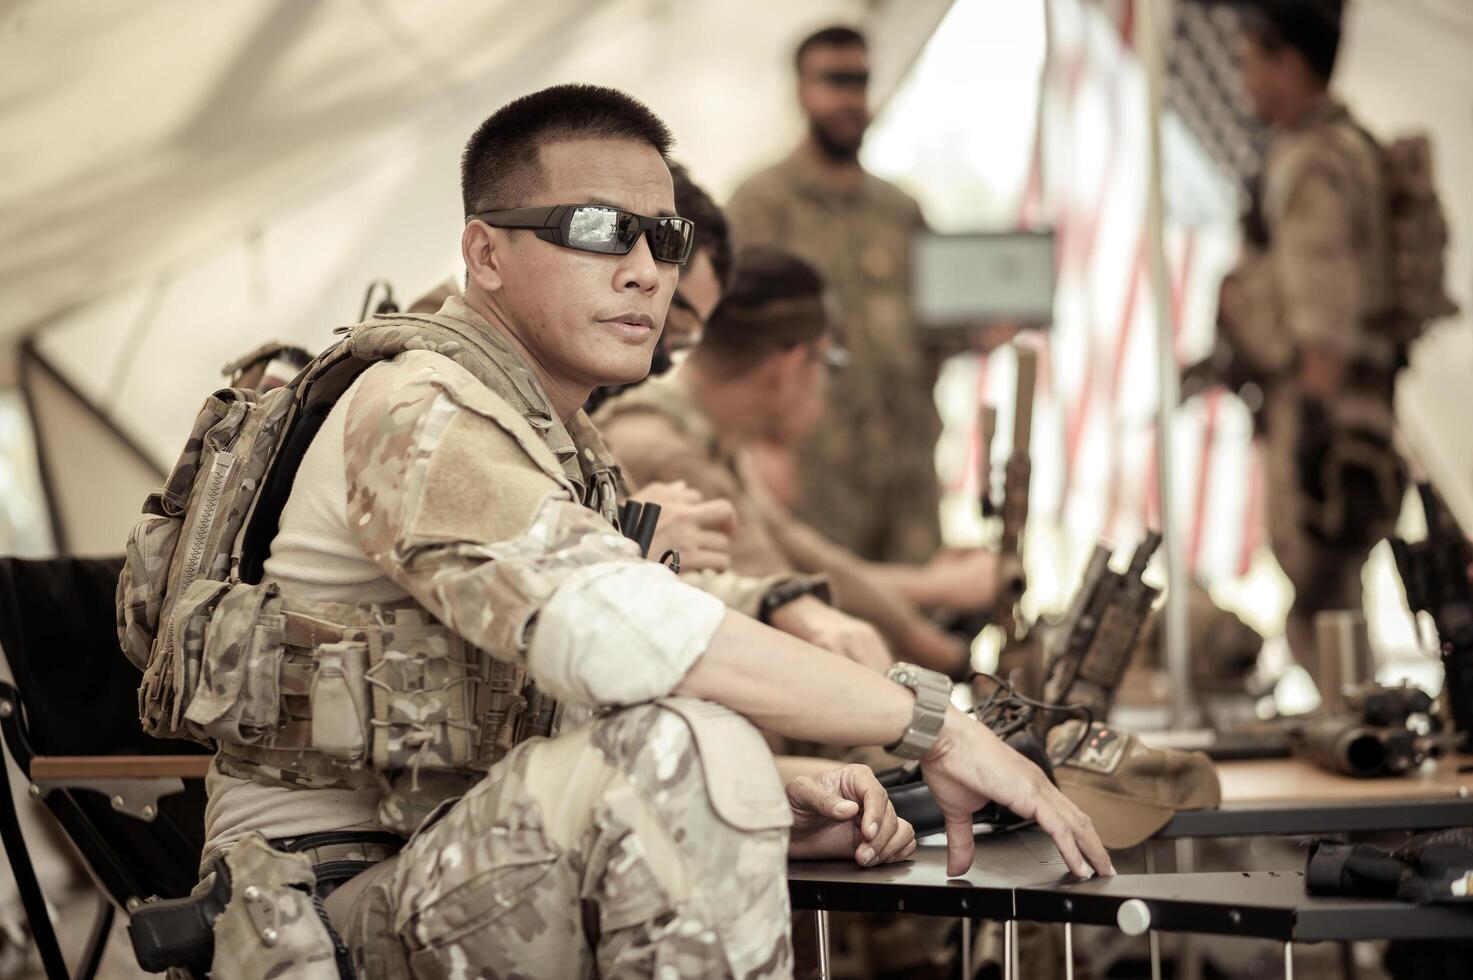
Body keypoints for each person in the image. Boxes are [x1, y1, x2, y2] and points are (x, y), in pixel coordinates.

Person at [152, 84, 1109, 978]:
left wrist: (769, 793)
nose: (647, 271)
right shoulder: (423, 413)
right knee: (687, 745)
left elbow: (553, 695)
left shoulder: (552, 436)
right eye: (599, 231)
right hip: (322, 910)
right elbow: (627, 634)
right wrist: (935, 727)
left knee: (709, 755)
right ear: (484, 255)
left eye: (664, 237)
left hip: (440, 862)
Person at [598, 245, 1002, 679]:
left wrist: (934, 597)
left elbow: (806, 558)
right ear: (790, 367)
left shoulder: (702, 435)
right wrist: (948, 657)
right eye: (828, 363)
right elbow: (781, 588)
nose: (826, 388)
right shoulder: (669, 452)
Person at [1212, 0, 1404, 677]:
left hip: (1320, 404)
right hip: (1340, 403)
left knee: (1321, 595)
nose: (1243, 81)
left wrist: (1313, 428)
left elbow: (1323, 306)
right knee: (1328, 595)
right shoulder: (1340, 147)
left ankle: (1350, 729)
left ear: (1286, 59)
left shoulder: (1312, 162)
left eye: (1249, 62)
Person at [726, 25, 941, 565]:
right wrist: (755, 447)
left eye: (861, 82)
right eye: (835, 81)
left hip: (905, 473)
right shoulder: (761, 204)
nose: (851, 99)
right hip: (811, 472)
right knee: (825, 624)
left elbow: (931, 337)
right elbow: (726, 334)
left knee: (922, 626)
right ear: (801, 90)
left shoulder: (901, 212)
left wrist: (979, 330)